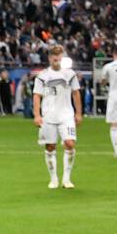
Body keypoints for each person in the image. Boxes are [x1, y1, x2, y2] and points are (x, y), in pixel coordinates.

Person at [32, 44, 82, 189]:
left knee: (70, 143)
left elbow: (76, 93)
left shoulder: (70, 74)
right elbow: (36, 96)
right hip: (48, 116)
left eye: (59, 60)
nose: (57, 63)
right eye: (54, 60)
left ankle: (66, 178)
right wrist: (37, 115)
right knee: (50, 146)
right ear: (49, 59)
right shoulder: (42, 76)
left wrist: (78, 113)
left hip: (66, 114)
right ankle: (53, 178)